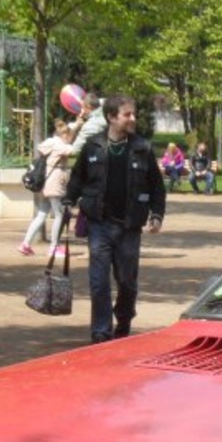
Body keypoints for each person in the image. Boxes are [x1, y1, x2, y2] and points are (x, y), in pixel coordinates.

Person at [65, 95, 165, 344]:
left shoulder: (142, 148)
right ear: (111, 117)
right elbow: (78, 178)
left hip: (130, 227)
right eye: (127, 114)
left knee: (127, 283)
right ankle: (101, 332)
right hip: (99, 224)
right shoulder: (93, 146)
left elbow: (157, 187)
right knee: (98, 282)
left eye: (133, 114)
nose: (133, 119)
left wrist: (156, 214)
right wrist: (69, 200)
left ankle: (123, 318)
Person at [18, 118, 75, 257]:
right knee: (59, 215)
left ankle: (25, 243)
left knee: (42, 214)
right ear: (65, 135)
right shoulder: (59, 145)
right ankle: (54, 248)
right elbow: (74, 150)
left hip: (44, 183)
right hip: (54, 183)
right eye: (70, 136)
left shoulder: (50, 142)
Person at [68, 90, 103, 156]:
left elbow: (75, 150)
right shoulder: (109, 108)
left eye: (82, 107)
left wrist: (76, 127)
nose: (81, 111)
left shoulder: (90, 126)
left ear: (89, 107)